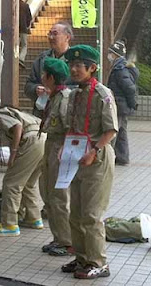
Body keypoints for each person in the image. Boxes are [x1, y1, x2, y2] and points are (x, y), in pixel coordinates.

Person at [61, 45, 118, 279]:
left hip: (97, 159)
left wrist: (94, 150)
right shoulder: (74, 94)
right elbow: (72, 128)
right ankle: (82, 258)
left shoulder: (103, 94)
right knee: (75, 214)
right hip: (76, 159)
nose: (73, 69)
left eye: (78, 65)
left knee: (92, 215)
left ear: (92, 68)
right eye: (71, 65)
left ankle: (99, 263)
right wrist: (64, 151)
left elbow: (111, 130)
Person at [0, 97, 46, 236]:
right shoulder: (11, 111)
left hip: (31, 141)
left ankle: (9, 224)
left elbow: (17, 127)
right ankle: (33, 218)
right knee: (28, 183)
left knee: (11, 183)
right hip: (43, 140)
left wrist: (13, 154)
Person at [38, 57, 73, 256]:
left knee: (59, 196)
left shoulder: (65, 97)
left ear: (51, 77)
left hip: (60, 146)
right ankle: (58, 237)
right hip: (50, 143)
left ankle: (67, 241)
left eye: (45, 74)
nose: (42, 77)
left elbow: (69, 126)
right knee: (48, 193)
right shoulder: (54, 96)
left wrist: (65, 149)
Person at [24, 21, 74, 118]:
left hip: (66, 114)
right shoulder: (42, 58)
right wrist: (36, 89)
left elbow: (81, 88)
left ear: (67, 37)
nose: (51, 37)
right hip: (42, 114)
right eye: (50, 34)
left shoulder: (75, 61)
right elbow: (28, 86)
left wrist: (58, 91)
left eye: (55, 34)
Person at [107, 39, 139, 166]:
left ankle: (109, 156)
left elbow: (129, 88)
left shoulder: (120, 69)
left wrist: (132, 103)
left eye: (110, 53)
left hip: (120, 105)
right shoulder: (120, 67)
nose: (108, 56)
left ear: (115, 55)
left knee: (114, 131)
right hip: (122, 105)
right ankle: (122, 157)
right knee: (121, 132)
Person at [19, 0, 32, 68]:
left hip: (14, 29)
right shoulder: (25, 5)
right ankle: (21, 58)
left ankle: (14, 57)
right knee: (24, 45)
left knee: (15, 44)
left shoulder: (13, 5)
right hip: (23, 28)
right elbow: (29, 17)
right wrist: (27, 26)